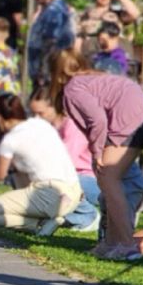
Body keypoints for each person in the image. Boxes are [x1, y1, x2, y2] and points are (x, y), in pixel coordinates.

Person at [49, 47, 143, 260]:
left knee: (108, 178)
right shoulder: (94, 78)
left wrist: (96, 150)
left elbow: (97, 120)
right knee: (109, 180)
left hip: (133, 121)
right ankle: (110, 243)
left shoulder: (73, 88)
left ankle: (126, 244)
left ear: (56, 73)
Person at [0, 93, 82, 235]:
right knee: (18, 173)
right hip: (75, 194)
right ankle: (47, 218)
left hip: (49, 196)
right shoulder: (42, 124)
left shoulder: (10, 140)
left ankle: (37, 224)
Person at [31, 89, 100, 233]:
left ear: (54, 107)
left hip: (89, 179)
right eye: (33, 113)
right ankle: (72, 218)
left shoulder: (72, 125)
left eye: (40, 113)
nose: (36, 118)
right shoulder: (48, 127)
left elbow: (67, 161)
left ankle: (88, 214)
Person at [25, 0, 75, 85]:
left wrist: (43, 74)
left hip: (49, 78)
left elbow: (50, 44)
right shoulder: (46, 10)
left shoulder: (54, 12)